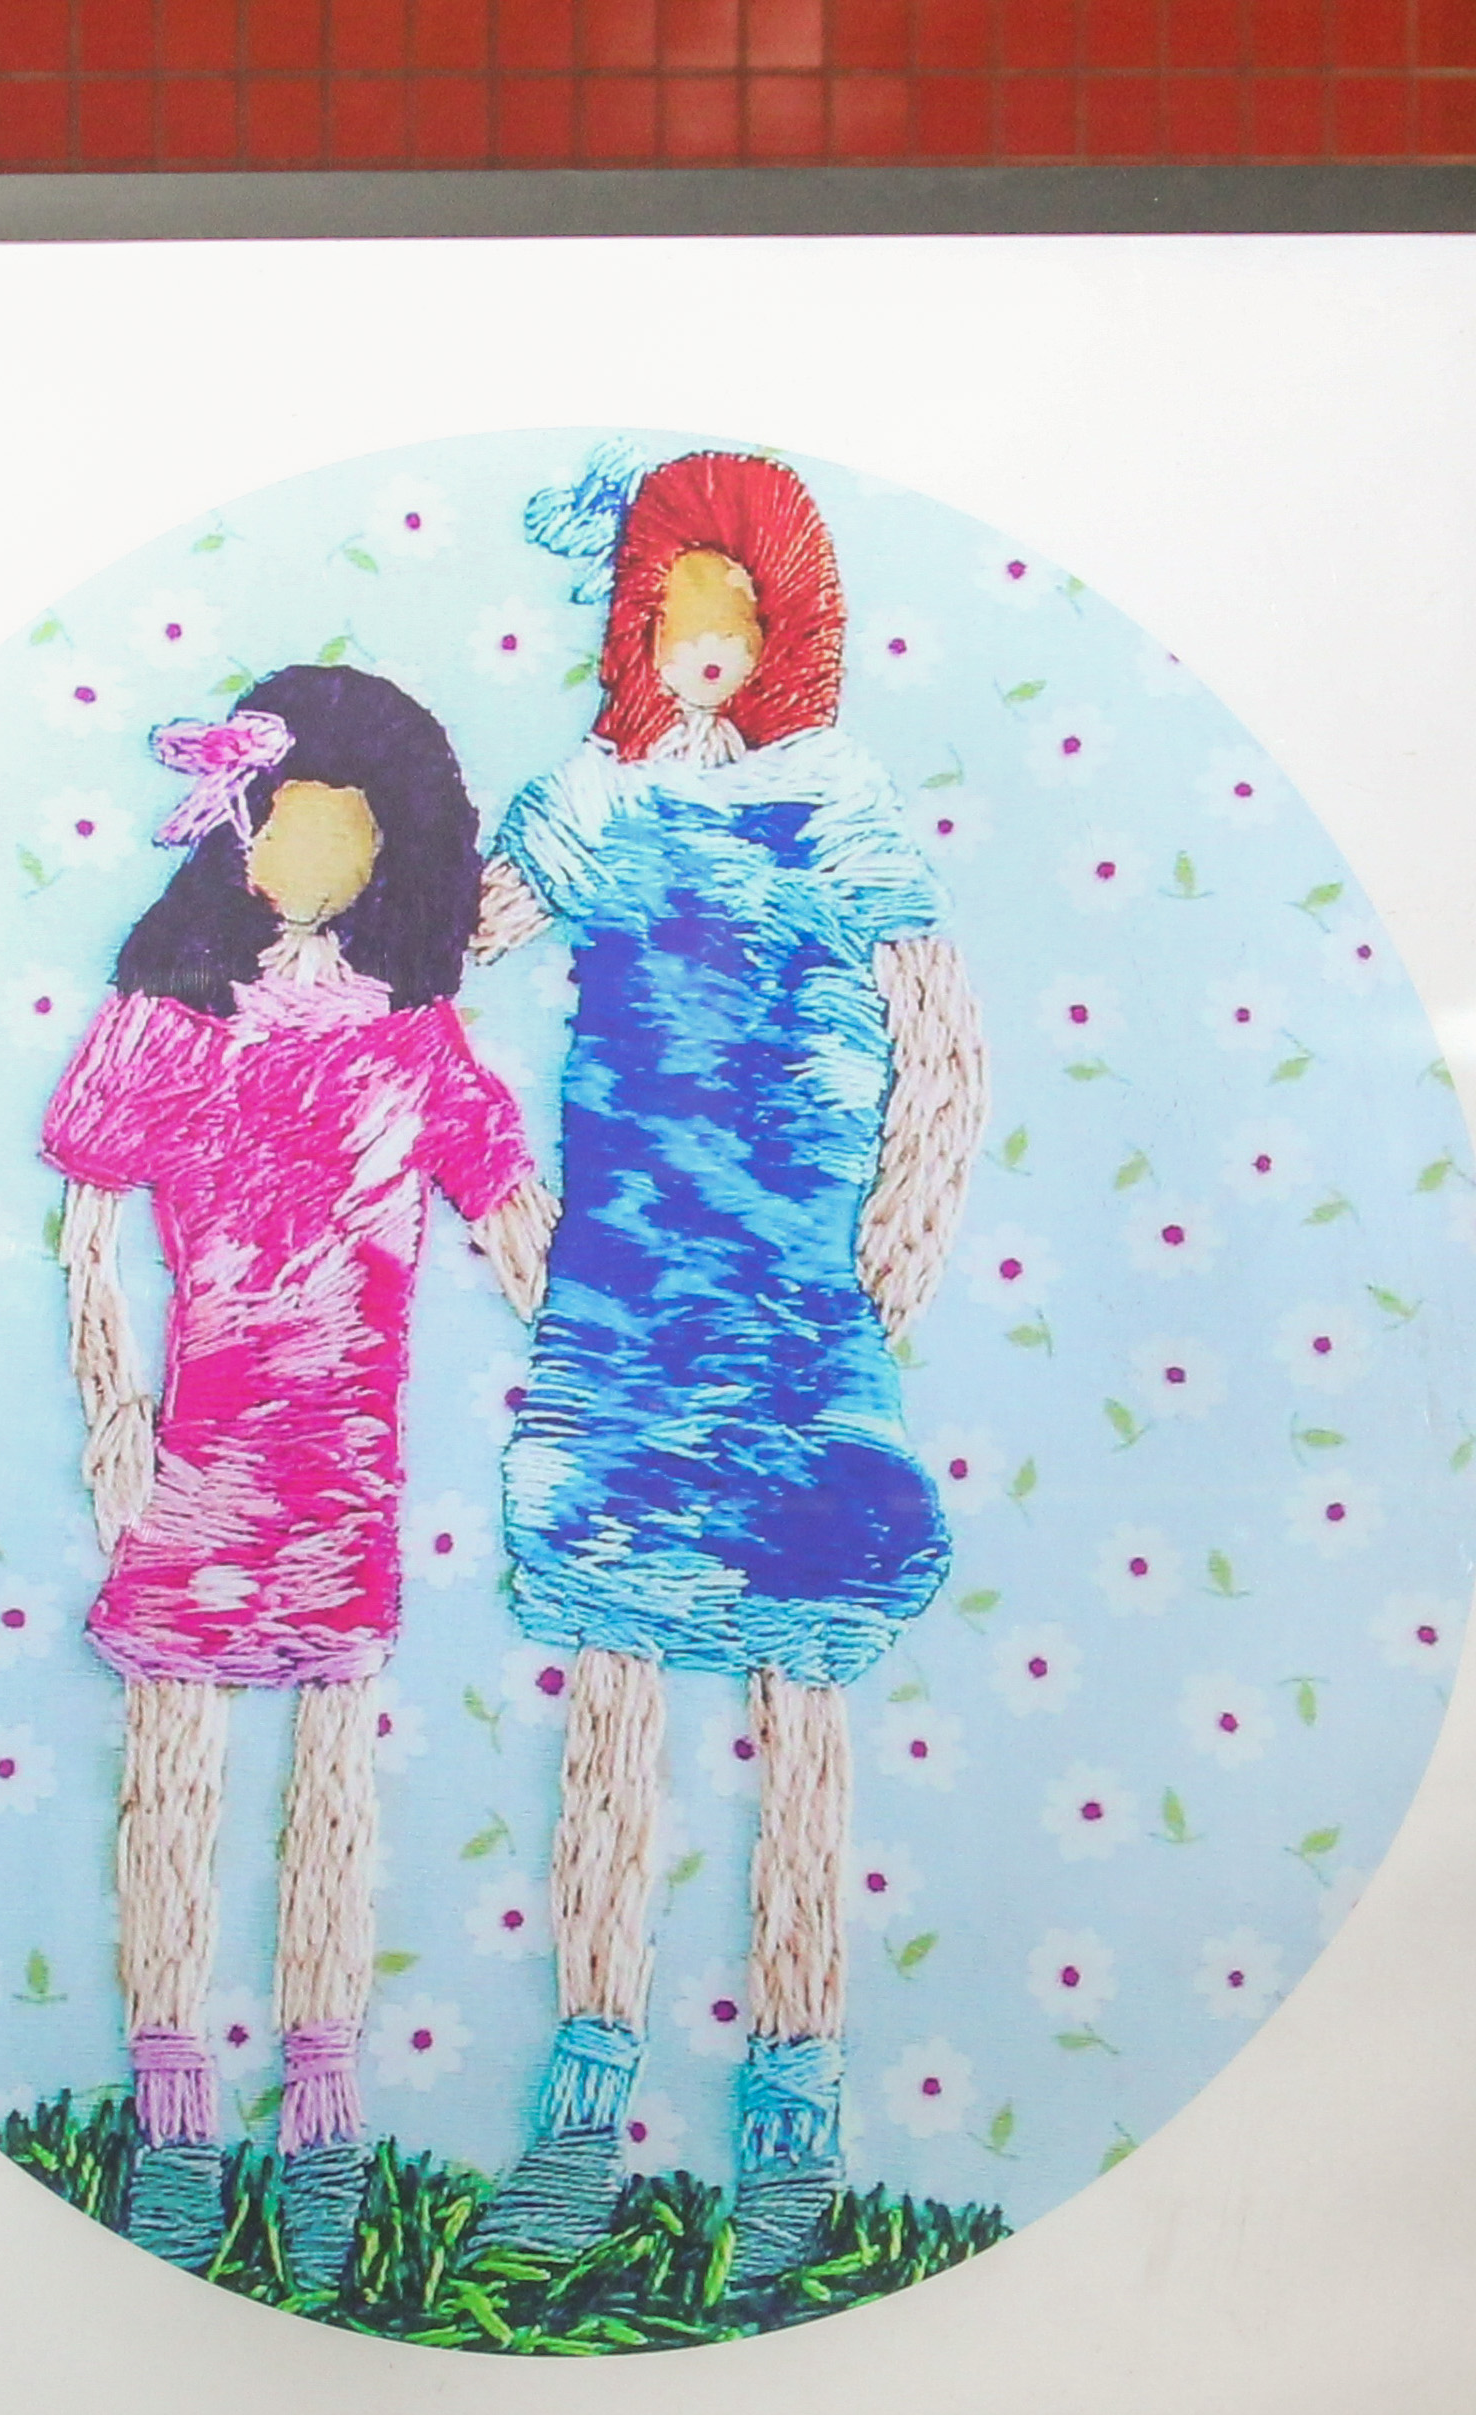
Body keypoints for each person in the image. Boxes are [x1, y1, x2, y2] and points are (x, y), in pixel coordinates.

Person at [467, 448, 990, 2282]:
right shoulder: (590, 802)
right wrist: (519, 1231)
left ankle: (793, 2117)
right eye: (671, 613)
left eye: (734, 614)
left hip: (793, 1317)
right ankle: (581, 2109)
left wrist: (889, 1269)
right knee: (616, 1695)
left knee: (802, 1697)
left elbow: (943, 1043)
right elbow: (432, 978)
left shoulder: (838, 804)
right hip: (625, 1314)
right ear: (634, 626)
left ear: (788, 627)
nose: (702, 648)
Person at [43, 664, 552, 2287]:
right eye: (284, 825)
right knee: (175, 1780)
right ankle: (174, 2115)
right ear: (237, 830)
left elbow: (512, 1214)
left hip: (343, 1475)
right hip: (198, 1458)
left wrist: (612, 1352)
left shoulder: (414, 1040)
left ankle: (322, 2112)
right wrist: (112, 1416)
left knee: (334, 1786)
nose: (309, 859)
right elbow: (88, 1233)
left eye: (346, 833)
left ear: (396, 853)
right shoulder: (169, 1024)